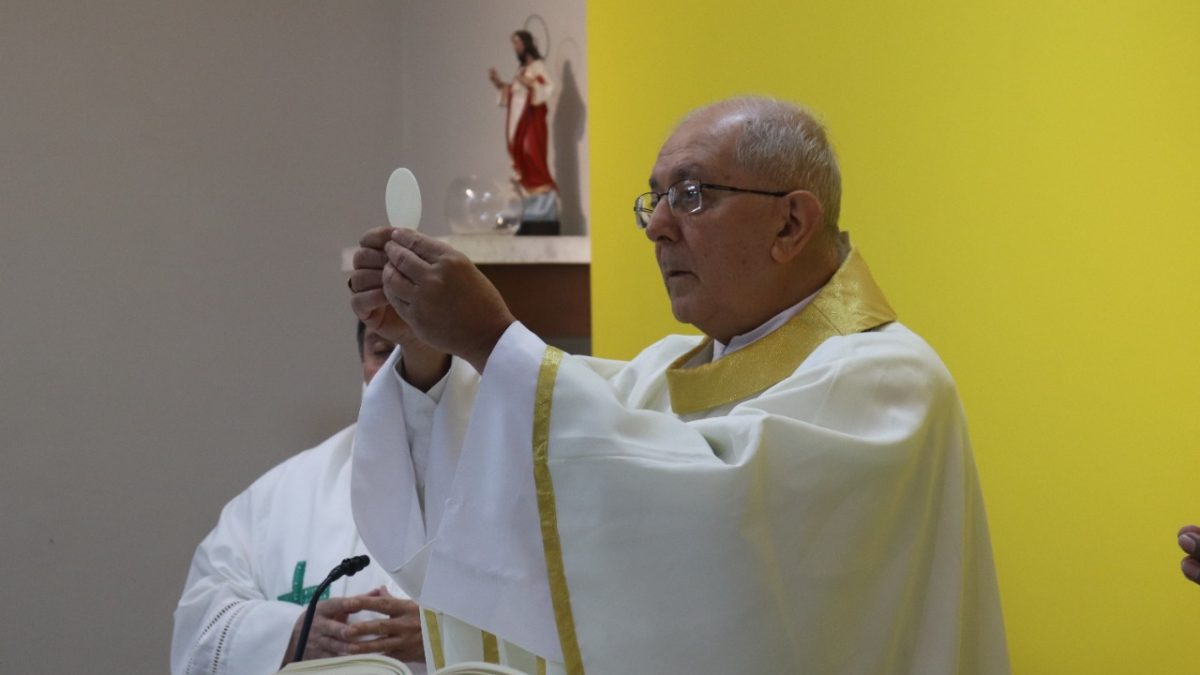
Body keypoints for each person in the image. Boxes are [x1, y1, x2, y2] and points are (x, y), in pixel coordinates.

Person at [348, 96, 1010, 674]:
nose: (659, 226)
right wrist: (430, 354)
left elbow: (720, 525)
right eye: (655, 199)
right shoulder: (661, 375)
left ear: (791, 223)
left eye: (691, 196)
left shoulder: (890, 383)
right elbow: (525, 473)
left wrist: (492, 338)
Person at [171, 323, 425, 675]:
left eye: (421, 347)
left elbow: (529, 617)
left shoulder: (516, 484)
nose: (398, 366)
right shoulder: (279, 496)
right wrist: (290, 635)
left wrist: (437, 638)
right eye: (381, 351)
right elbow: (200, 623)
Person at [488, 30, 558, 228]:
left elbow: (546, 87)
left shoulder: (537, 66)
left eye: (518, 43)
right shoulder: (521, 70)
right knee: (521, 157)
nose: (515, 48)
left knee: (532, 155)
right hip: (518, 121)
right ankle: (528, 196)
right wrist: (499, 83)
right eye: (514, 44)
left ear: (527, 44)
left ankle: (542, 199)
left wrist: (529, 83)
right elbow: (514, 92)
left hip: (532, 121)